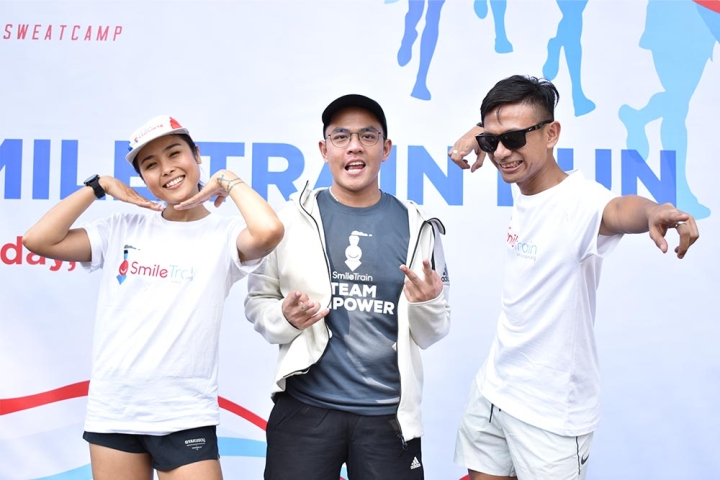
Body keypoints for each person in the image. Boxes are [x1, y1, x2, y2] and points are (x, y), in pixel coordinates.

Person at [447, 75, 699, 480]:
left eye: (513, 139)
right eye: (493, 142)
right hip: (494, 387)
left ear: (552, 134)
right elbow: (497, 133)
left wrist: (652, 212)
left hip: (550, 413)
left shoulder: (578, 201)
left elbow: (617, 210)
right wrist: (479, 137)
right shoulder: (524, 176)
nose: (502, 153)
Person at [22, 115, 284, 479]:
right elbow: (38, 241)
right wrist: (99, 187)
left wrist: (227, 179)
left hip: (184, 413)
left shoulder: (224, 234)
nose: (166, 169)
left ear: (196, 155)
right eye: (150, 164)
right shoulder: (122, 228)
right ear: (143, 178)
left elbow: (270, 231)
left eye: (175, 153)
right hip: (115, 411)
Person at [244, 94, 451, 480]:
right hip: (305, 410)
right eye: (341, 137)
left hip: (389, 418)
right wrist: (285, 318)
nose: (354, 146)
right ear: (324, 149)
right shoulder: (290, 220)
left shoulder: (419, 225)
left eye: (368, 136)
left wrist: (429, 303)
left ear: (386, 149)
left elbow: (433, 330)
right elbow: (258, 300)